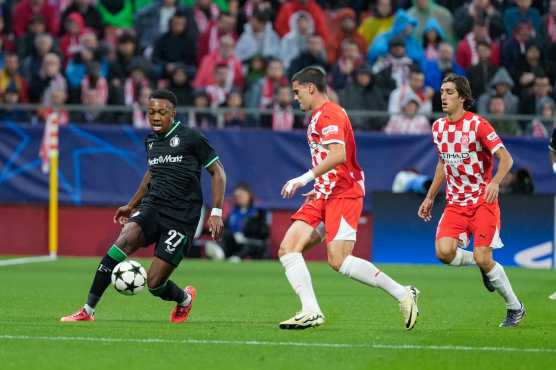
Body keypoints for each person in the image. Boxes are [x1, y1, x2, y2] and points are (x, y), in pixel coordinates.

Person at [60, 89, 227, 323]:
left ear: (173, 113)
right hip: (152, 207)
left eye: (161, 112)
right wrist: (131, 205)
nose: (155, 117)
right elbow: (151, 174)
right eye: (151, 112)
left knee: (155, 283)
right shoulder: (151, 141)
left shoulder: (191, 137)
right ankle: (88, 310)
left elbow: (217, 172)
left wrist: (216, 212)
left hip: (181, 217)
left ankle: (185, 299)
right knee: (121, 243)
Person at [278, 66, 420, 330]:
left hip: (343, 192)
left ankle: (403, 293)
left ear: (311, 88)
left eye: (297, 92)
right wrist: (319, 183)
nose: (295, 97)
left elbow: (338, 155)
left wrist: (303, 178)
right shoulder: (320, 115)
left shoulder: (329, 114)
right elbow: (329, 159)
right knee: (288, 249)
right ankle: (311, 311)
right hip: (325, 192)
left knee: (338, 260)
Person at [417, 74, 525, 327]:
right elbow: (443, 163)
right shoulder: (438, 128)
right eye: (442, 91)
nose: (443, 96)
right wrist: (430, 196)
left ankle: (515, 307)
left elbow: (506, 159)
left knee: (483, 257)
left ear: (463, 97)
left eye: (450, 92)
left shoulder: (479, 125)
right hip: (455, 203)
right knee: (443, 252)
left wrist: (495, 182)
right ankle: (481, 264)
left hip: (482, 202)